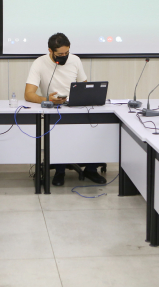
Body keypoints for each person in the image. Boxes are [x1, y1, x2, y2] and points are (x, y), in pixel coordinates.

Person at [25, 33, 106, 186]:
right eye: (60, 54)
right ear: (50, 50)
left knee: (94, 130)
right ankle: (59, 171)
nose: (64, 56)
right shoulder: (39, 63)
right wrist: (47, 99)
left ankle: (91, 169)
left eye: (66, 53)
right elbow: (28, 94)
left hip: (75, 106)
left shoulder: (75, 60)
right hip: (54, 108)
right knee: (59, 135)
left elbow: (84, 86)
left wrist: (81, 98)